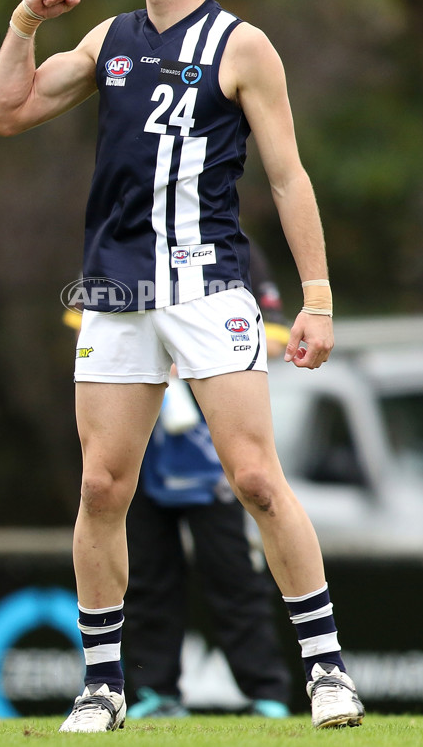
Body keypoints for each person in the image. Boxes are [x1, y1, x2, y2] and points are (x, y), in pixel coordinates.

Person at [0, 0, 365, 732]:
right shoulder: (108, 40)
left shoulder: (242, 46)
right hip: (116, 288)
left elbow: (287, 175)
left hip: (209, 285)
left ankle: (328, 671)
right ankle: (104, 686)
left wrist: (318, 298)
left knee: (258, 479)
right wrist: (24, 23)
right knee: (102, 487)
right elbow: (6, 113)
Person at [123, 245, 292, 719]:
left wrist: (200, 359)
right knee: (147, 577)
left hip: (216, 452)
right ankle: (154, 694)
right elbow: (93, 335)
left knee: (234, 575)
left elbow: (275, 337)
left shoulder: (239, 249)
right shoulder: (120, 244)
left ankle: (267, 695)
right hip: (141, 451)